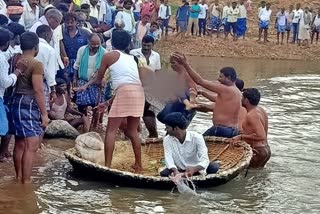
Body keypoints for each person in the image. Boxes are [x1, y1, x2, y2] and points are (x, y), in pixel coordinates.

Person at [95, 30, 145, 172]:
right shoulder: (133, 58)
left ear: (112, 42)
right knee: (133, 131)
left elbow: (100, 76)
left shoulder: (109, 55)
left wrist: (98, 82)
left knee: (111, 131)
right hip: (138, 92)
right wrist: (108, 102)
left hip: (124, 91)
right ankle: (139, 165)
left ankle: (108, 166)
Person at [9, 32, 49, 183]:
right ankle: (26, 181)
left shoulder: (16, 60)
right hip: (28, 103)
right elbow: (38, 90)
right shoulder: (36, 64)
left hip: (14, 102)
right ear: (36, 47)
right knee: (31, 144)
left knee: (19, 142)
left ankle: (18, 177)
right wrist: (44, 114)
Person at [171, 52, 241, 138]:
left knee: (197, 145)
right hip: (232, 130)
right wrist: (203, 93)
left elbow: (200, 81)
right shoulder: (237, 92)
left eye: (221, 76)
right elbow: (218, 99)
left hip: (221, 129)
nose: (218, 79)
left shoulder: (226, 89)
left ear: (229, 78)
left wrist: (185, 64)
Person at [160, 112, 220, 177]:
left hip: (196, 169)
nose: (166, 129)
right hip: (179, 169)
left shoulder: (197, 137)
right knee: (164, 173)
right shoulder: (167, 139)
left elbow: (205, 160)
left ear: (176, 128)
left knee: (213, 167)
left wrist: (194, 169)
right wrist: (175, 170)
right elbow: (169, 159)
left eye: (167, 127)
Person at [0, 28, 27, 161]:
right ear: (6, 43)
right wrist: (17, 72)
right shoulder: (1, 58)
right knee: (4, 128)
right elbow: (5, 82)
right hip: (2, 96)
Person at [231, 88, 270, 168]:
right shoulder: (261, 110)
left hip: (257, 151)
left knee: (249, 176)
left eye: (242, 97)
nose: (241, 99)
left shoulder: (251, 115)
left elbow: (260, 136)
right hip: (265, 150)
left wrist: (241, 136)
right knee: (258, 176)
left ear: (246, 101)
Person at [130, 35, 161, 138]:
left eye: (148, 46)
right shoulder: (133, 53)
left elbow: (157, 72)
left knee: (149, 112)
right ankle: (135, 134)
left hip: (150, 89)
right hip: (136, 86)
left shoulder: (156, 56)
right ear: (141, 43)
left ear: (153, 45)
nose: (146, 48)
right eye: (144, 45)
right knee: (134, 112)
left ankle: (153, 135)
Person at [73, 33, 107, 115]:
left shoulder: (105, 53)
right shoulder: (82, 50)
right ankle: (83, 118)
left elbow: (103, 71)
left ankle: (96, 122)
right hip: (83, 80)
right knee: (81, 103)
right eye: (93, 44)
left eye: (97, 44)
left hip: (97, 83)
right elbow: (76, 65)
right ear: (88, 42)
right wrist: (74, 78)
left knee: (96, 105)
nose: (95, 46)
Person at [60, 12, 90, 95]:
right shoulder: (61, 34)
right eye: (67, 22)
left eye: (72, 22)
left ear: (76, 22)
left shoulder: (85, 33)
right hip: (66, 62)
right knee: (66, 83)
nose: (69, 24)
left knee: (79, 83)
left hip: (81, 63)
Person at [35, 25, 58, 112]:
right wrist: (53, 91)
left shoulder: (26, 46)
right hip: (42, 83)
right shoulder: (49, 50)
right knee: (43, 111)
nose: (50, 38)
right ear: (46, 34)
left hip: (24, 83)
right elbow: (50, 73)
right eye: (50, 36)